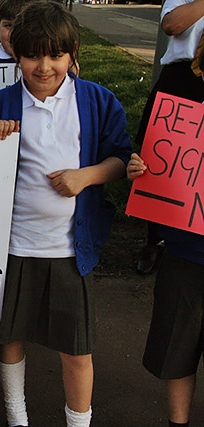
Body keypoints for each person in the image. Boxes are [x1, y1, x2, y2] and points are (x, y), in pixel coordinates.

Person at [0, 2, 132, 426]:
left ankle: (78, 422)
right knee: (10, 338)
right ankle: (16, 416)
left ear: (72, 52)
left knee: (77, 349)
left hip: (69, 250)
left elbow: (120, 156)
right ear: (16, 54)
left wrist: (86, 177)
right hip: (13, 246)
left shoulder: (97, 100)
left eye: (55, 55)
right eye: (32, 56)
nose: (44, 66)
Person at [127, 153, 203, 426]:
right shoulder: (185, 111)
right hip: (183, 252)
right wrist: (141, 171)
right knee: (177, 349)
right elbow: (159, 162)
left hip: (184, 251)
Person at [133, 0, 204, 275]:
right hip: (183, 79)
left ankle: (192, 233)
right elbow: (172, 24)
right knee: (161, 162)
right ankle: (155, 239)